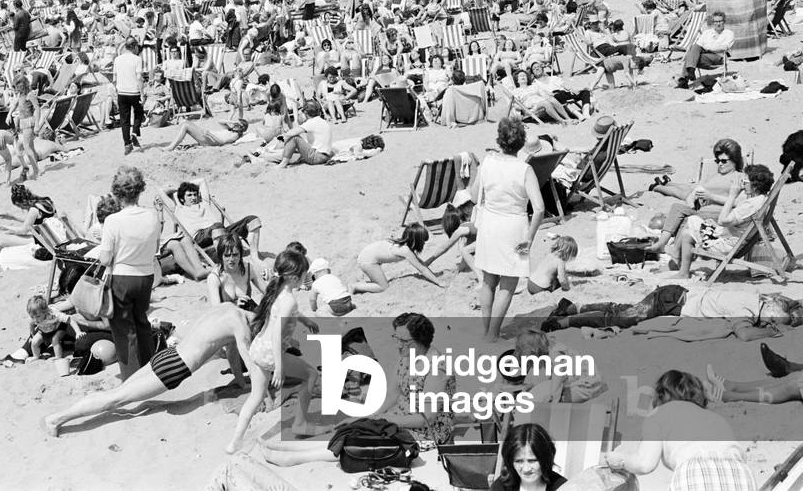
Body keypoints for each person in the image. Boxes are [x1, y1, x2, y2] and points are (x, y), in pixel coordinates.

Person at [260, 312, 457, 467]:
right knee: (353, 427)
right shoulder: (406, 357)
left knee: (359, 441)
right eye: (395, 338)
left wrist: (383, 420)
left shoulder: (437, 368)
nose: (397, 344)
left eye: (402, 341)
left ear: (417, 342)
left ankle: (293, 459)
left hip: (427, 431)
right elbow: (393, 394)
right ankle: (287, 448)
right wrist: (369, 416)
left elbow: (428, 417)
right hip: (403, 417)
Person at [42, 303, 257, 437]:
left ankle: (65, 414)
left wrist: (239, 381)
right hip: (174, 368)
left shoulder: (229, 308)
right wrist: (257, 389)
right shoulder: (242, 327)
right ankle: (58, 418)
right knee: (116, 398)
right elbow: (251, 365)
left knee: (118, 393)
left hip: (168, 355)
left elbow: (231, 353)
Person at [228, 250, 320, 453]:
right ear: (295, 278)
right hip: (272, 353)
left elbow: (283, 314)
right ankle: (300, 423)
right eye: (304, 274)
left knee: (255, 397)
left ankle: (235, 442)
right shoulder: (289, 300)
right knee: (311, 374)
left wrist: (305, 320)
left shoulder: (277, 290)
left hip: (259, 348)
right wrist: (279, 367)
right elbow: (278, 335)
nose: (306, 277)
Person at [605, 370, 756, 491]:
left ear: (659, 395)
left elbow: (645, 463)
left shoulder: (659, 414)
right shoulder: (714, 417)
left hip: (696, 474)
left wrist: (620, 460)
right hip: (742, 475)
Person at [473, 118, 544, 341]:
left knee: (488, 278)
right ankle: (493, 333)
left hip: (490, 223)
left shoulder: (487, 162)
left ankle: (486, 329)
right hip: (515, 226)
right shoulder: (525, 169)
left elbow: (475, 196)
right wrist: (530, 238)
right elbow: (540, 209)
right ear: (521, 142)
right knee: (509, 281)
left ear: (499, 139)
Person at [541, 285, 801, 337]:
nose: (770, 322)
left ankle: (572, 307)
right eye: (772, 319)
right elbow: (744, 335)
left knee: (623, 310)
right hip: (672, 301)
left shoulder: (760, 296)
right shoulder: (745, 312)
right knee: (622, 318)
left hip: (674, 294)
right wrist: (772, 334)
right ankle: (564, 322)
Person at [99, 166, 160, 380]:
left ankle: (132, 379)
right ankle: (151, 372)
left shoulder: (113, 221)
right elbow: (155, 248)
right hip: (146, 275)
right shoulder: (153, 216)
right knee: (142, 322)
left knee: (125, 331)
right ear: (140, 189)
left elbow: (105, 259)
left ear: (117, 192)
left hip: (122, 277)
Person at [666, 164, 773, 279]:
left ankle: (683, 271)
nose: (743, 183)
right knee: (696, 222)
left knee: (689, 229)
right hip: (735, 241)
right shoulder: (760, 200)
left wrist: (732, 195)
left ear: (755, 186)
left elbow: (722, 220)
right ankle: (680, 259)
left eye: (745, 181)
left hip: (726, 247)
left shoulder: (750, 205)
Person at [648, 138, 747, 252]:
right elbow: (696, 189)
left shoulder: (739, 177)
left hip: (720, 214)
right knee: (679, 207)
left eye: (724, 161)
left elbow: (741, 202)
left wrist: (711, 197)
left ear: (734, 160)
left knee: (681, 211)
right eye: (717, 161)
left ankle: (669, 246)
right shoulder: (714, 175)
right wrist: (691, 200)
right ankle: (663, 244)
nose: (720, 164)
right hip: (701, 209)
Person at [170, 181, 262, 262]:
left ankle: (255, 257)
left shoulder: (204, 203)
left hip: (220, 231)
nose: (193, 197)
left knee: (252, 219)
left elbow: (202, 181)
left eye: (195, 194)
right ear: (182, 198)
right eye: (189, 195)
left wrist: (188, 184)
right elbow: (162, 192)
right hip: (200, 237)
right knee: (217, 226)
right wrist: (180, 188)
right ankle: (223, 259)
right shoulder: (179, 209)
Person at [352, 223, 444, 293]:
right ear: (417, 241)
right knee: (383, 287)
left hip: (367, 254)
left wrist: (433, 275)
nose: (424, 244)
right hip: (367, 261)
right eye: (423, 241)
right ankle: (355, 286)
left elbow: (421, 264)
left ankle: (369, 283)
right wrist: (438, 282)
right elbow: (422, 269)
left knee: (378, 282)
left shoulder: (404, 244)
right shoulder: (405, 250)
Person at [489, 423, 567, 491]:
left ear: (545, 458)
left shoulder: (562, 487)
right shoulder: (501, 487)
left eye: (532, 460)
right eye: (518, 461)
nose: (526, 469)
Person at [276, 100, 333, 168]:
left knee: (294, 138)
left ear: (305, 112)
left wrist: (279, 144)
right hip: (326, 155)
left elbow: (290, 133)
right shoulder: (321, 121)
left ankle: (283, 163)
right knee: (295, 142)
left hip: (317, 157)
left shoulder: (311, 122)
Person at [682, 11, 733, 81]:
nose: (718, 24)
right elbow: (699, 44)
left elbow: (725, 47)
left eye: (720, 21)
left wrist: (708, 47)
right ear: (713, 22)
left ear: (724, 21)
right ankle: (691, 70)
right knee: (695, 47)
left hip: (718, 57)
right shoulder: (707, 33)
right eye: (715, 21)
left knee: (690, 56)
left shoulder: (729, 33)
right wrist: (708, 47)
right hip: (704, 55)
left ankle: (684, 79)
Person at [7, 76, 41, 181]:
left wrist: (37, 125)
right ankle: (36, 169)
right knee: (31, 146)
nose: (16, 88)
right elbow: (15, 104)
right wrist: (9, 114)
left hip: (29, 122)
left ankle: (35, 171)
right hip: (23, 122)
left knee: (27, 147)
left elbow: (37, 108)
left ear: (23, 85)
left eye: (18, 86)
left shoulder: (30, 94)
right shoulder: (20, 94)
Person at [24, 295, 72, 363]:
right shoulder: (34, 318)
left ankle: (58, 356)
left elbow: (67, 318)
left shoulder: (52, 314)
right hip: (45, 330)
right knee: (34, 342)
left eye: (37, 316)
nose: (35, 319)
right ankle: (36, 356)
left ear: (45, 311)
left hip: (58, 328)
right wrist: (32, 334)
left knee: (55, 339)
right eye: (32, 317)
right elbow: (31, 324)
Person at [165, 118, 248, 150]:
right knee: (185, 122)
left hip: (209, 140)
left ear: (241, 127)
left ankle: (171, 147)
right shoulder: (230, 130)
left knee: (186, 126)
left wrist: (210, 134)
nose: (234, 124)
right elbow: (219, 121)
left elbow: (221, 142)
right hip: (207, 136)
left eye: (237, 124)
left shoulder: (234, 135)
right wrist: (232, 121)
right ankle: (175, 143)